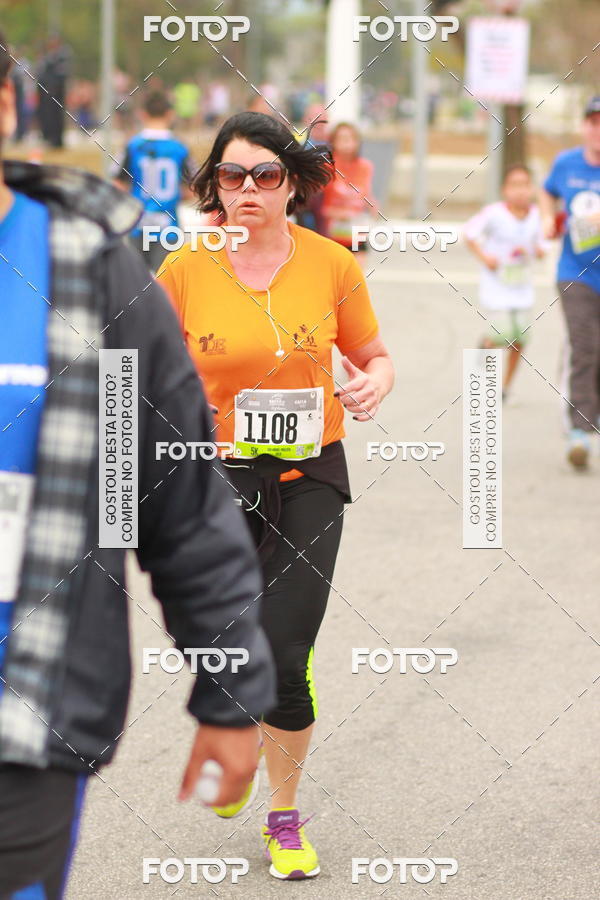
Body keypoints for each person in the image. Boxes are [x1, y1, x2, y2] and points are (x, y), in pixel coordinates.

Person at [0, 33, 276, 900]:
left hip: (25, 712)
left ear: (6, 109)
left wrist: (229, 692)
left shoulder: (91, 281)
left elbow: (170, 498)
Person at [157, 110, 394, 880]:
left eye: (265, 174)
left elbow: (373, 354)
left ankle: (283, 816)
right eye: (233, 174)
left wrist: (370, 386)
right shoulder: (187, 269)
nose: (249, 188)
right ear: (214, 187)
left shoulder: (331, 263)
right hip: (215, 481)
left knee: (288, 652)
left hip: (310, 475)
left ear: (293, 183)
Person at [540, 96, 600, 469]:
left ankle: (590, 410)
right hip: (574, 273)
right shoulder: (567, 163)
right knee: (586, 346)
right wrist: (549, 218)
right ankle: (579, 430)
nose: (598, 129)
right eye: (593, 122)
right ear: (585, 127)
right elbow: (548, 191)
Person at [464, 164, 546, 400]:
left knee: (520, 339)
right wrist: (484, 257)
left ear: (531, 189)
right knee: (502, 334)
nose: (520, 191)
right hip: (497, 286)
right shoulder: (494, 213)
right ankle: (485, 349)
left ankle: (504, 387)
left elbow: (541, 244)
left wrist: (539, 251)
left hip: (522, 286)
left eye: (525, 185)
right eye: (515, 185)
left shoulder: (536, 216)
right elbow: (469, 234)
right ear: (504, 190)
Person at [114, 90, 192, 272]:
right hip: (168, 227)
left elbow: (118, 185)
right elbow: (192, 189)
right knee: (166, 285)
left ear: (142, 114)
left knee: (136, 287)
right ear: (170, 114)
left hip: (138, 225)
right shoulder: (179, 148)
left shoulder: (132, 146)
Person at [321, 122, 375, 263]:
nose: (348, 143)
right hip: (331, 230)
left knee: (356, 276)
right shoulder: (327, 167)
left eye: (351, 138)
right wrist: (333, 212)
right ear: (333, 141)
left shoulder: (364, 166)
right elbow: (318, 201)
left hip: (356, 228)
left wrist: (373, 207)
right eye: (343, 139)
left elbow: (366, 194)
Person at [36, 35, 71, 149]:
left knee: (57, 115)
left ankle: (57, 140)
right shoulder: (50, 57)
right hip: (49, 91)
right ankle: (51, 138)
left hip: (57, 90)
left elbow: (61, 73)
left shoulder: (62, 55)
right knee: (50, 115)